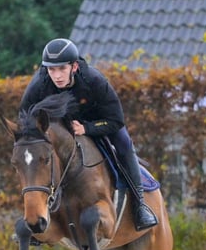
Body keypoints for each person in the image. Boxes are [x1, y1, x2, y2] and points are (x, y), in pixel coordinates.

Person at [19, 38, 158, 230]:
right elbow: (24, 117)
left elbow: (116, 120)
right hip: (60, 128)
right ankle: (34, 212)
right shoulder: (39, 85)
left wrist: (87, 129)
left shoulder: (94, 80)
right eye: (52, 70)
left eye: (62, 69)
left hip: (98, 122)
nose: (57, 76)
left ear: (74, 66)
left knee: (125, 143)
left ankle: (140, 204)